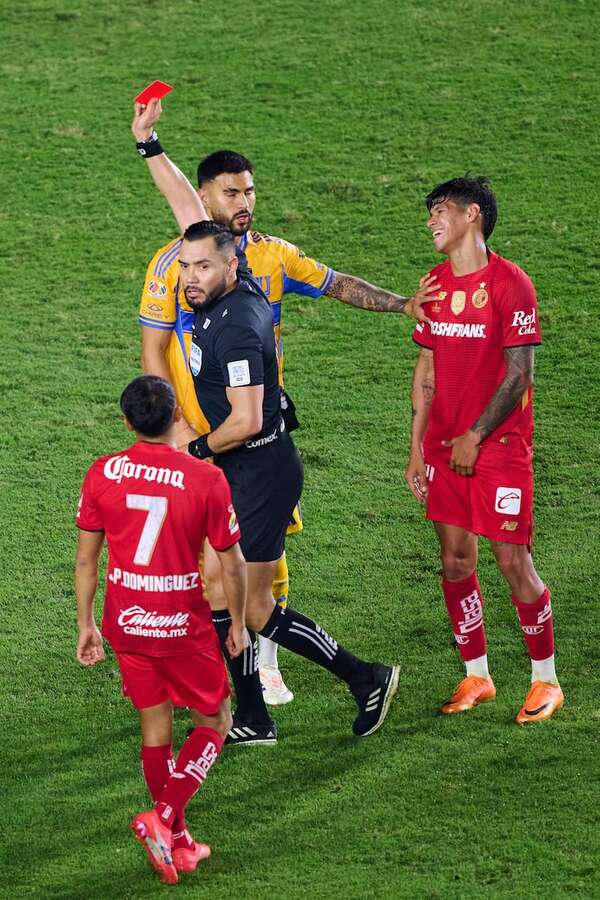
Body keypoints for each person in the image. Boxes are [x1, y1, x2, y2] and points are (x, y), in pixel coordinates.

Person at [132, 98, 435, 709]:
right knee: (224, 574)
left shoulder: (258, 268)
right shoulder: (193, 261)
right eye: (230, 194)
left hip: (245, 438)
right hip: (207, 433)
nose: (243, 203)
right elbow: (155, 340)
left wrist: (401, 303)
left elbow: (336, 282)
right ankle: (248, 700)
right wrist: (149, 144)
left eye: (250, 192)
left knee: (247, 576)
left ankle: (286, 676)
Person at [179, 219, 400, 743]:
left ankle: (365, 677)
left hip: (258, 474)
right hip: (246, 470)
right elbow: (206, 221)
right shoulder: (228, 291)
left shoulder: (233, 326)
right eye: (185, 265)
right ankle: (254, 718)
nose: (191, 276)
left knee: (252, 607)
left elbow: (246, 420)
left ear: (231, 267)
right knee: (217, 591)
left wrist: (194, 451)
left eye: (203, 266)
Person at [75, 375, 248, 884]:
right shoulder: (206, 479)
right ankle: (166, 818)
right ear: (176, 416)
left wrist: (87, 625)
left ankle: (175, 842)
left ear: (127, 422)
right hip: (182, 625)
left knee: (156, 731)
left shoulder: (102, 473)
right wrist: (236, 622)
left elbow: (87, 561)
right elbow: (233, 564)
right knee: (215, 721)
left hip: (127, 620)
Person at [405, 176, 564, 724]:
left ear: (473, 215)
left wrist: (475, 435)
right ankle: (478, 674)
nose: (431, 221)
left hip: (498, 449)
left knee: (511, 560)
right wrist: (416, 449)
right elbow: (424, 370)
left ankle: (546, 681)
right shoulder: (433, 284)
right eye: (429, 213)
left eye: (440, 210)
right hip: (443, 448)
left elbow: (520, 372)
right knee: (454, 561)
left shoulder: (510, 285)